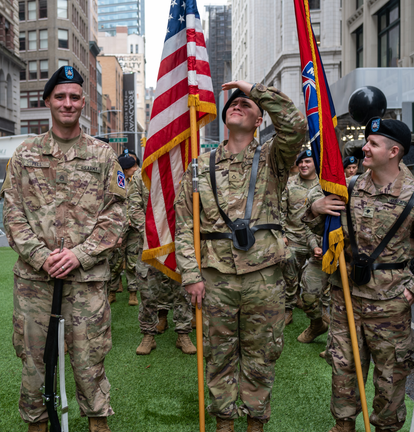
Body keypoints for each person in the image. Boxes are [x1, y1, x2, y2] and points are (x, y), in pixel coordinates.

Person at [175, 80, 306, 432]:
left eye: (247, 105)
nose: (238, 105)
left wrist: (254, 89)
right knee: (218, 355)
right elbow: (185, 224)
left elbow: (296, 124)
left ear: (260, 119)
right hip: (214, 277)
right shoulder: (200, 166)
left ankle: (256, 421)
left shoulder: (274, 158)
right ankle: (224, 422)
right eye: (233, 103)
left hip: (263, 276)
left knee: (262, 354)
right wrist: (190, 274)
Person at [2, 66, 126, 432]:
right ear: (47, 102)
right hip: (34, 285)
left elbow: (116, 216)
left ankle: (97, 425)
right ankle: (38, 425)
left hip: (86, 282)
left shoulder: (103, 156)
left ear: (83, 103)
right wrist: (42, 257)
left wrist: (80, 254)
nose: (67, 103)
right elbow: (12, 215)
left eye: (74, 97)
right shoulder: (25, 156)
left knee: (90, 363)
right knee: (34, 364)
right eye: (60, 96)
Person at [306, 118, 414, 432]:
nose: (364, 147)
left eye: (373, 143)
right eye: (367, 141)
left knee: (390, 376)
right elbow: (318, 226)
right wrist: (315, 207)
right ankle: (343, 424)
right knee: (343, 368)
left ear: (394, 151)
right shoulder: (350, 188)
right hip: (345, 298)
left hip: (390, 304)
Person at [127, 167, 196, 355]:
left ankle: (183, 333)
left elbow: (192, 206)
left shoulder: (180, 168)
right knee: (148, 292)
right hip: (150, 245)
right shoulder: (141, 176)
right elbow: (133, 207)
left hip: (178, 243)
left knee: (182, 289)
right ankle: (148, 334)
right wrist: (150, 234)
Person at [281, 149, 322, 326]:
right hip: (293, 238)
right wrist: (282, 234)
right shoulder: (289, 184)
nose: (303, 165)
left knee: (318, 279)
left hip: (317, 241)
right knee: (289, 274)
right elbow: (280, 211)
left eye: (308, 161)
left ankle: (319, 314)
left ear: (315, 163)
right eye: (301, 162)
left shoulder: (324, 184)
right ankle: (288, 308)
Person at [107, 155, 138, 304]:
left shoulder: (137, 181)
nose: (136, 169)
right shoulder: (116, 182)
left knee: (133, 261)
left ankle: (133, 293)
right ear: (126, 169)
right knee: (116, 261)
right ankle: (112, 291)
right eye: (133, 166)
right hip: (119, 228)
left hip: (134, 228)